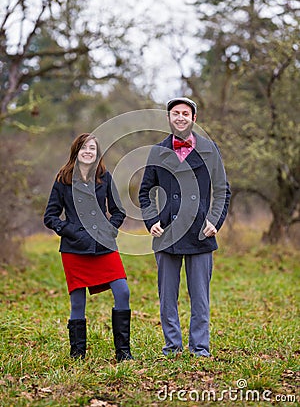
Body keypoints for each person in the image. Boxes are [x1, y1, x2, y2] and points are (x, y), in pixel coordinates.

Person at [139, 97, 231, 357]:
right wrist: (151, 220)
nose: (180, 117)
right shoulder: (157, 151)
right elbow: (145, 191)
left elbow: (222, 190)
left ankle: (200, 348)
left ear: (194, 119)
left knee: (200, 298)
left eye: (185, 113)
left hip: (201, 233)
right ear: (169, 118)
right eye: (175, 113)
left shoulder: (210, 149)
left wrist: (215, 221)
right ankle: (172, 347)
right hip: (166, 233)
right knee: (168, 297)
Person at [44, 133, 133, 362]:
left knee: (122, 291)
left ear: (97, 153)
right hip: (74, 249)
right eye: (84, 148)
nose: (88, 152)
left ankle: (123, 353)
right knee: (77, 302)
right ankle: (77, 354)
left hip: (104, 246)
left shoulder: (104, 177)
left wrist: (108, 230)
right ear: (76, 151)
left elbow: (118, 211)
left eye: (92, 148)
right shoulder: (63, 179)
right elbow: (50, 216)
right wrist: (70, 230)